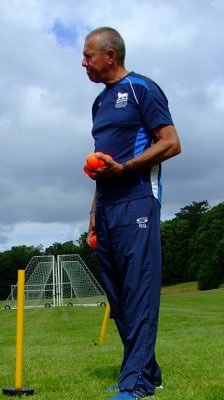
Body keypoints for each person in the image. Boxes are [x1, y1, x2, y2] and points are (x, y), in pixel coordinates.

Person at [82, 27, 181, 400]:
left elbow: (171, 142)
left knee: (138, 291)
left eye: (89, 56)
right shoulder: (99, 104)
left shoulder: (143, 88)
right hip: (106, 207)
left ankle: (135, 381)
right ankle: (148, 371)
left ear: (111, 55)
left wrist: (125, 168)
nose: (84, 62)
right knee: (118, 296)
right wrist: (93, 213)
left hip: (138, 199)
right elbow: (100, 166)